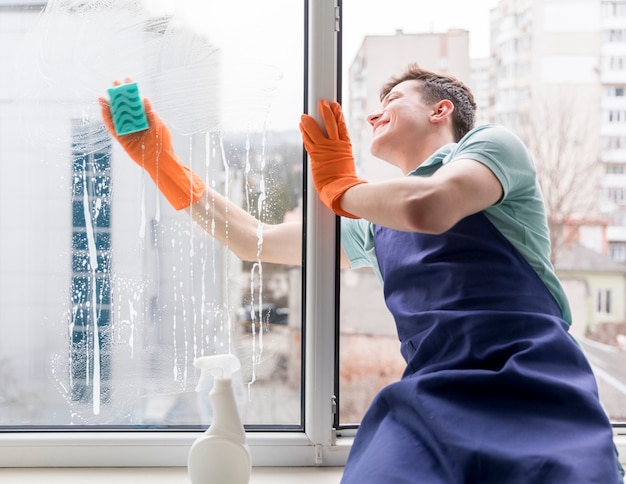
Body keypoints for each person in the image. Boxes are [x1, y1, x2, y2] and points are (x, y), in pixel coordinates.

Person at [100, 65, 624, 483]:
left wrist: (339, 189)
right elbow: (249, 239)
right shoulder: (372, 224)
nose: (375, 117)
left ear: (442, 110)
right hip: (430, 400)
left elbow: (432, 206)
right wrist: (163, 165)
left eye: (392, 103)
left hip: (536, 385)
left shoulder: (490, 148)